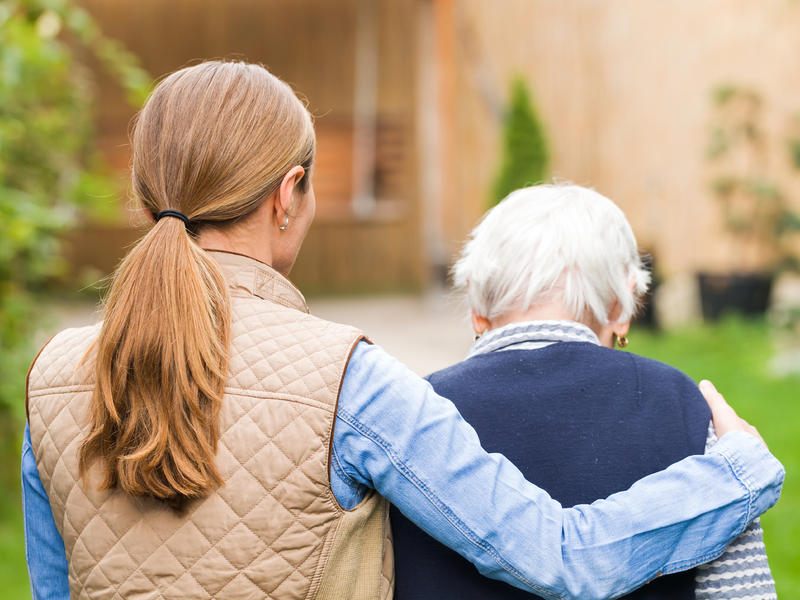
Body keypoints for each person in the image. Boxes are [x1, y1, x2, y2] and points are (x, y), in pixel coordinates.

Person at [22, 61, 782, 600]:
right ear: (290, 195)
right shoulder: (346, 379)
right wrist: (736, 473)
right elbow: (559, 557)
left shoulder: (50, 376)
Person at [391, 184, 778, 600]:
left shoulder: (414, 413)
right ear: (622, 305)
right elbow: (739, 589)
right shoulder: (683, 404)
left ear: (476, 306)